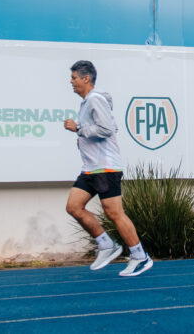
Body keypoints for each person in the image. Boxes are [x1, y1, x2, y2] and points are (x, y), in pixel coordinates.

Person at [63, 60, 153, 277]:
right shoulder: (87, 102)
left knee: (114, 213)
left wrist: (79, 129)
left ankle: (140, 256)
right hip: (91, 168)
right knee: (74, 207)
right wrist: (83, 139)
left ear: (86, 78)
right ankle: (106, 245)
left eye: (74, 77)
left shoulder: (95, 99)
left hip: (106, 168)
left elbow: (107, 129)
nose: (71, 81)